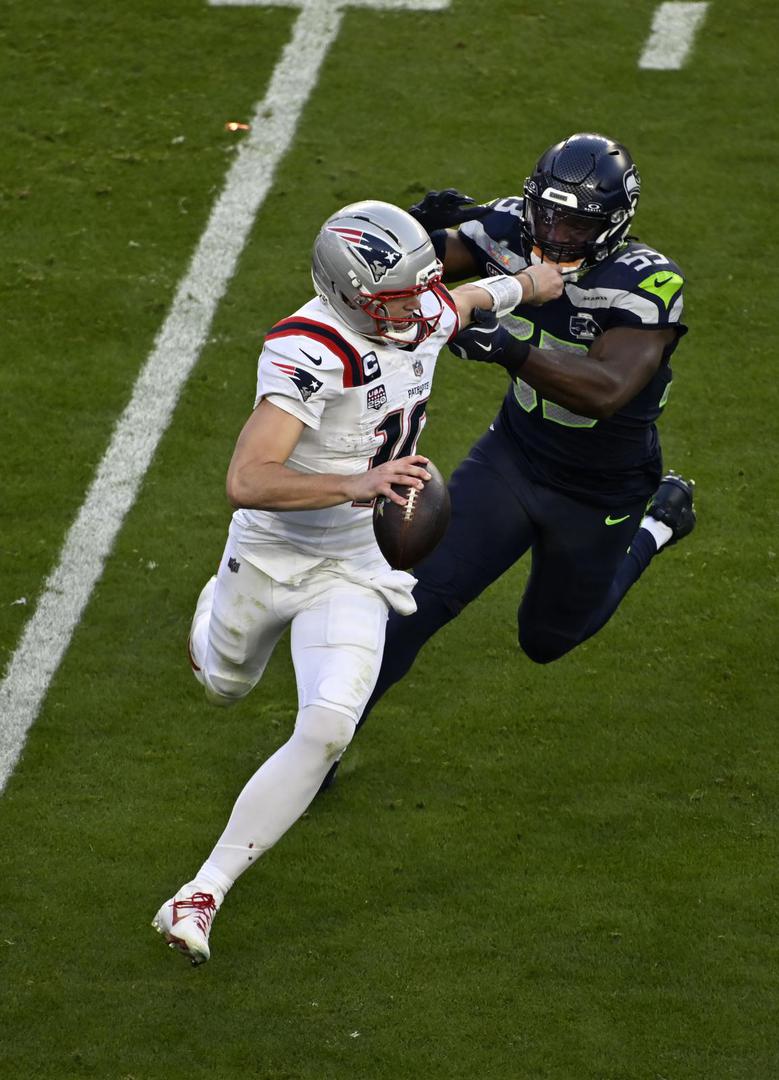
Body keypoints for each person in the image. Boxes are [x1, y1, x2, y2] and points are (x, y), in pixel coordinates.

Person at [152, 199, 562, 964]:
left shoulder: (418, 307)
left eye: (419, 289)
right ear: (349, 294)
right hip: (274, 551)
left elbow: (468, 298)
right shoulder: (309, 348)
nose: (418, 308)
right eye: (398, 297)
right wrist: (356, 482)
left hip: (358, 560)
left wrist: (534, 284)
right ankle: (213, 613)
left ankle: (201, 891)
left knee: (330, 723)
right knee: (224, 687)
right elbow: (247, 478)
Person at [322, 132, 697, 788]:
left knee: (546, 639)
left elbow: (606, 391)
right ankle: (318, 752)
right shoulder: (507, 226)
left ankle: (655, 527)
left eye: (576, 221)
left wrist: (509, 350)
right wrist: (413, 231)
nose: (554, 232)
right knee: (412, 600)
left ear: (612, 223)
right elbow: (398, 274)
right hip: (514, 456)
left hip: (599, 489)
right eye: (546, 214)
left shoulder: (646, 282)